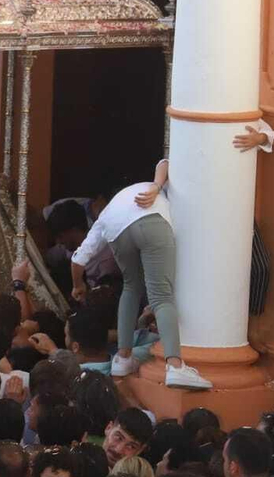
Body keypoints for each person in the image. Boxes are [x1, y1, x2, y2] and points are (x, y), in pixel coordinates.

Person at [72, 161, 208, 389]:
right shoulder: (159, 187)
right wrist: (157, 185)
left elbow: (78, 259)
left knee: (131, 286)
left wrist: (78, 286)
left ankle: (123, 358)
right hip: (152, 222)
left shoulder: (107, 212)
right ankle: (175, 365)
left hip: (117, 230)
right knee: (161, 296)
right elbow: (166, 162)